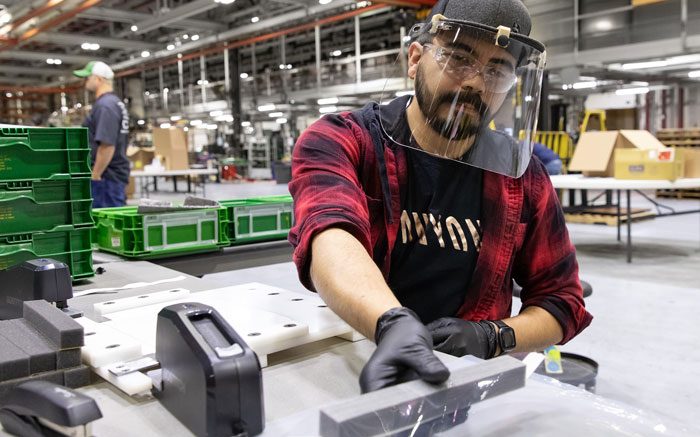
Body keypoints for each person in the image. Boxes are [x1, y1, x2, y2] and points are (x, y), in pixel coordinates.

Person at [289, 0, 592, 394]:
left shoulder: (523, 176)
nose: (475, 83)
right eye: (458, 59)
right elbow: (329, 234)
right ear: (416, 59)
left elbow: (561, 301)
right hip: (363, 359)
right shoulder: (343, 140)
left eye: (497, 70)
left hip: (467, 379)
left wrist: (493, 336)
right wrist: (391, 322)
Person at [73, 61, 130, 208]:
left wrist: (95, 174)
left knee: (106, 226)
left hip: (106, 177)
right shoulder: (113, 103)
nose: (84, 81)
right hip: (111, 176)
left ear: (98, 79)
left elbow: (107, 145)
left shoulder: (106, 105)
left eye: (87, 77)